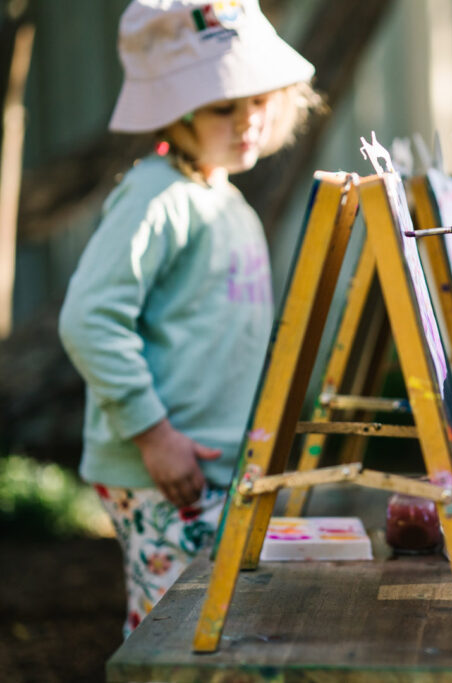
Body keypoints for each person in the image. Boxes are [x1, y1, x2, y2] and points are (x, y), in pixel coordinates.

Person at [58, 0, 319, 637]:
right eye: (223, 106)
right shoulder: (156, 195)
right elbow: (89, 320)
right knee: (172, 635)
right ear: (177, 112)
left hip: (216, 468)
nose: (248, 121)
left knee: (211, 630)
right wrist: (154, 436)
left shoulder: (224, 201)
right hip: (165, 472)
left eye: (257, 101)